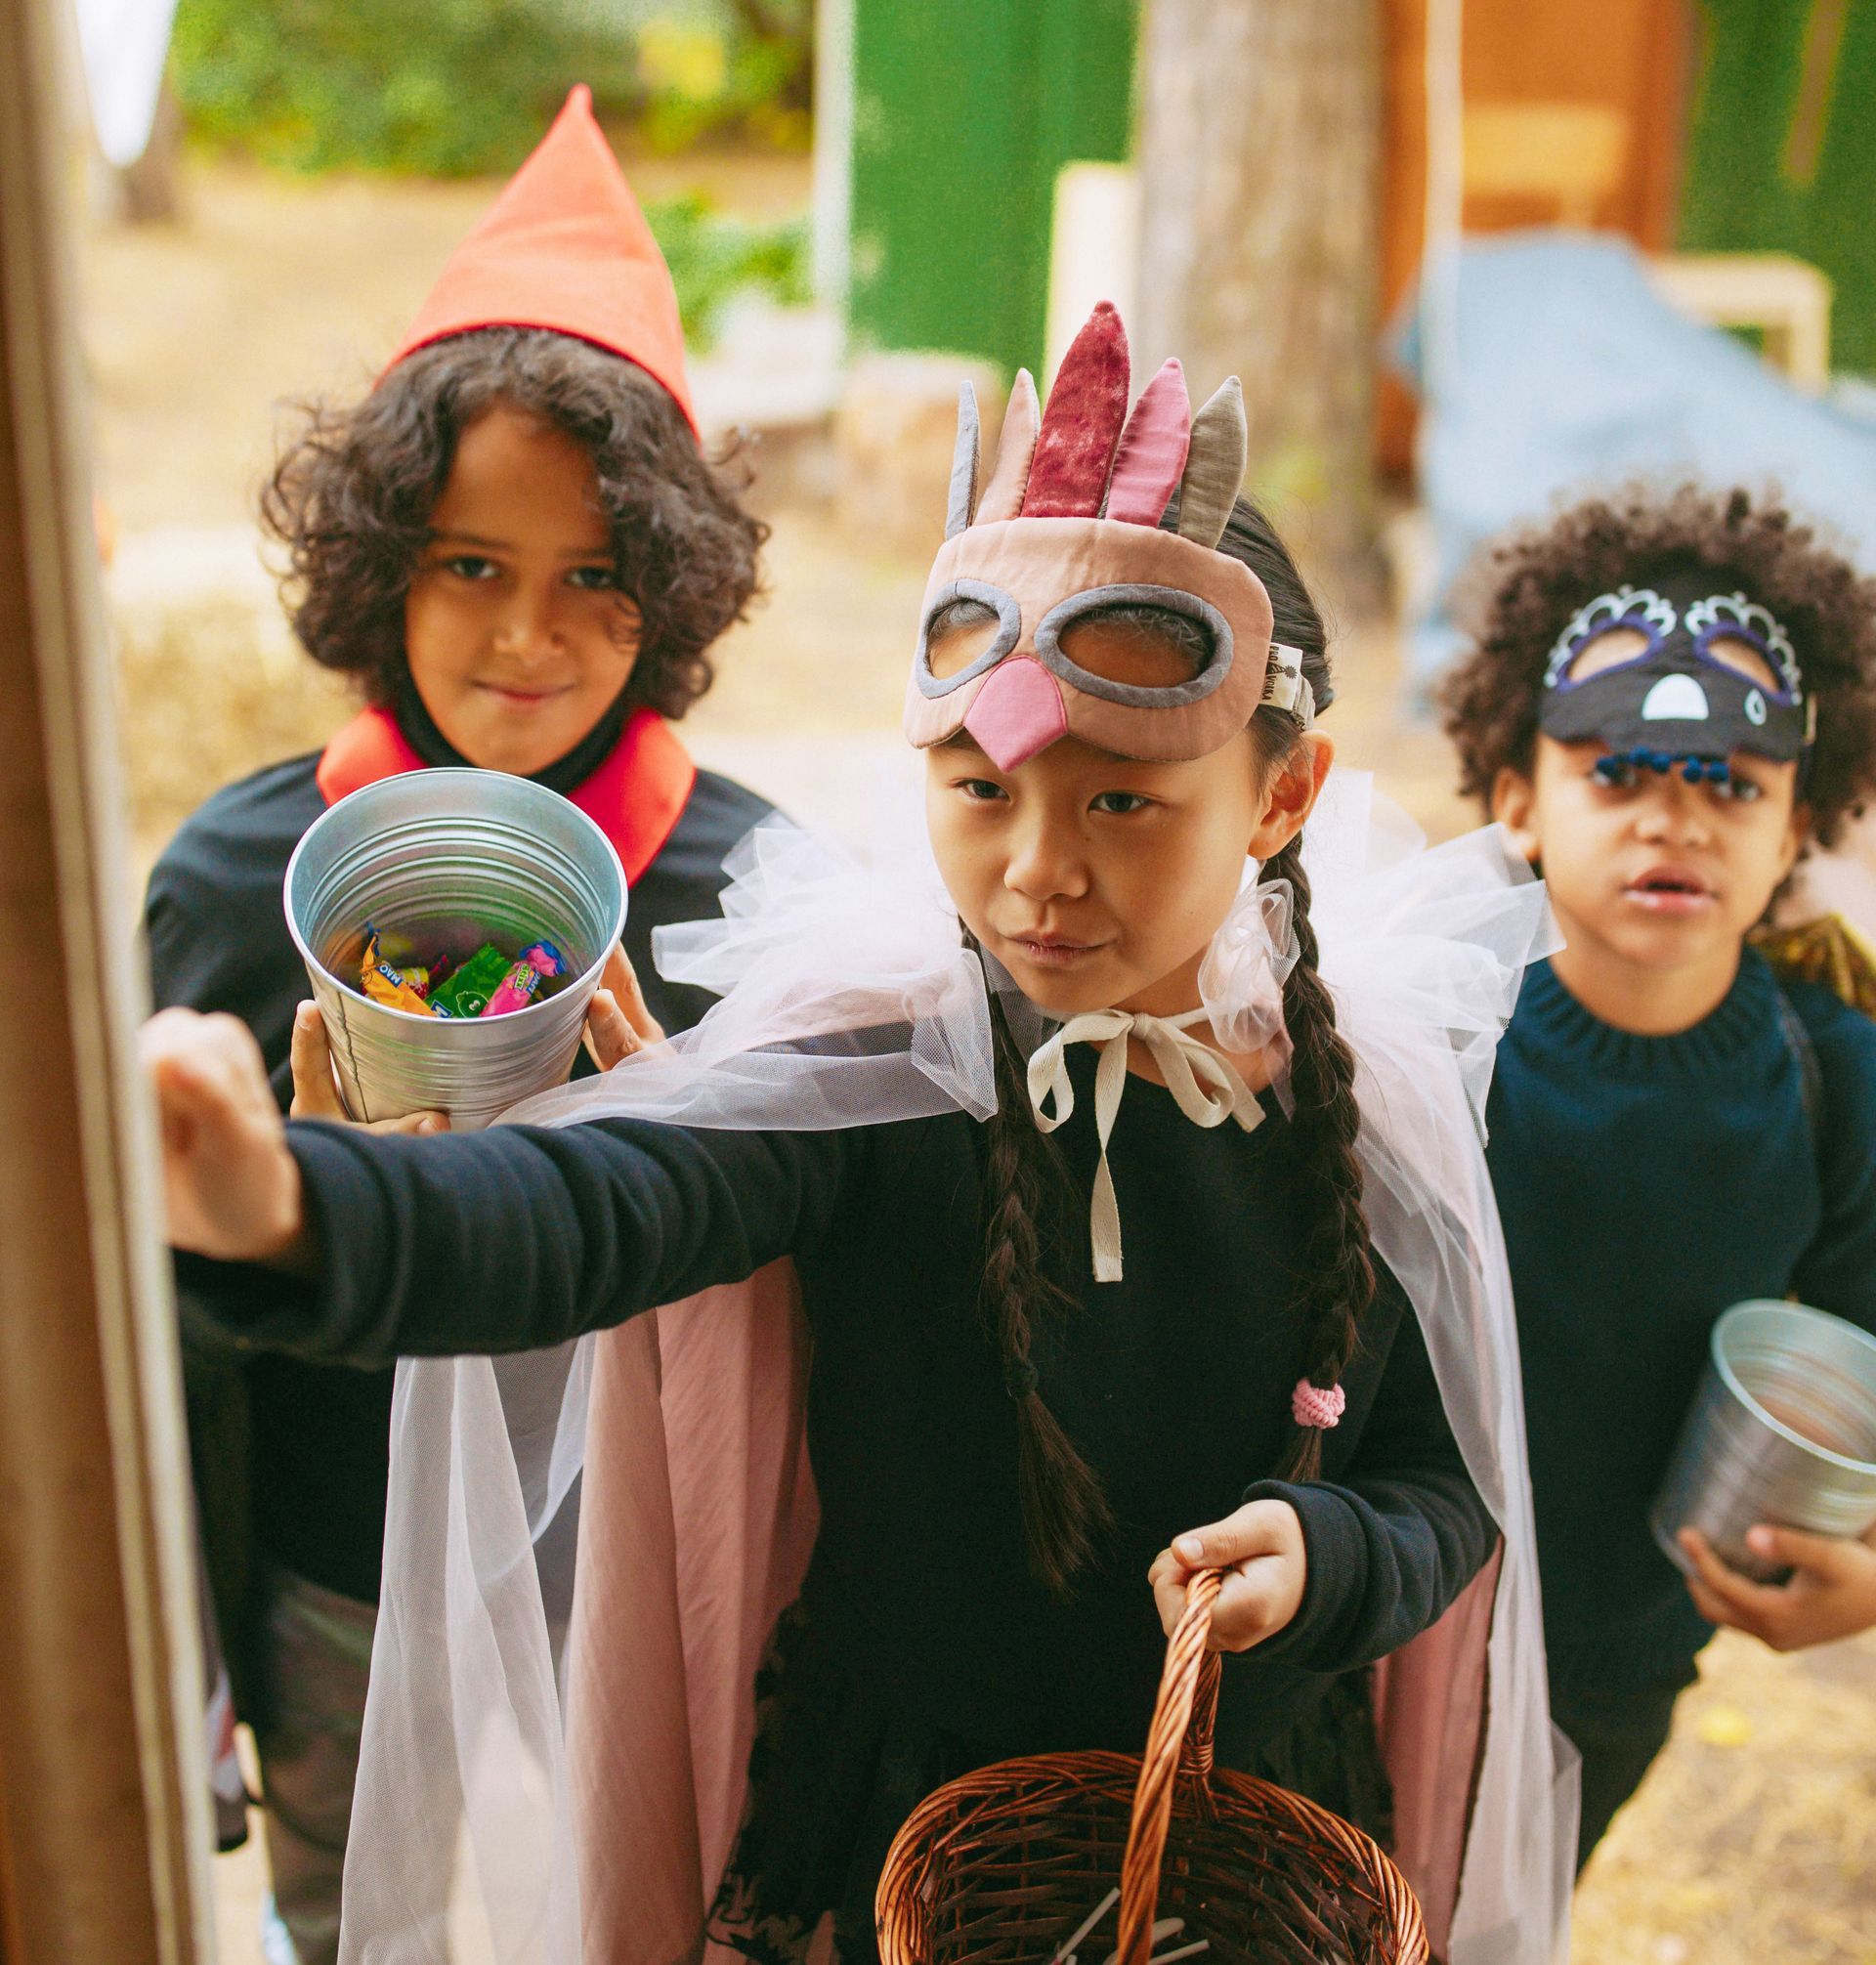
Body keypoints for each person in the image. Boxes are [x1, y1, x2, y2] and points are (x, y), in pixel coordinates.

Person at [145, 306, 1569, 1965]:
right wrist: (294, 1212)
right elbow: (602, 1196)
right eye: (980, 790)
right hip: (875, 1836)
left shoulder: (1358, 1101)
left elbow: (1442, 1478)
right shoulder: (880, 1062)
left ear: (1277, 794)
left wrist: (1329, 1557)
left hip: (1244, 1853)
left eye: (1121, 797)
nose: (1038, 868)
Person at [145, 86, 773, 1965]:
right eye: (470, 569)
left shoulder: (757, 899)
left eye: (596, 579)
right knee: (368, 1923)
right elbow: (155, 1328)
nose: (528, 638)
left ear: (667, 593)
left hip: (638, 1595)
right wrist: (177, 1648)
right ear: (377, 571)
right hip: (333, 1583)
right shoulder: (232, 882)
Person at [1439, 481, 1876, 1871]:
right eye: (1616, 774)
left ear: (1801, 819)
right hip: (1389, 1622)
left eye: (1730, 787)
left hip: (1619, 1665)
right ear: (1518, 797)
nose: (1673, 823)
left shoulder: (1841, 1079)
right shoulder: (1434, 1032)